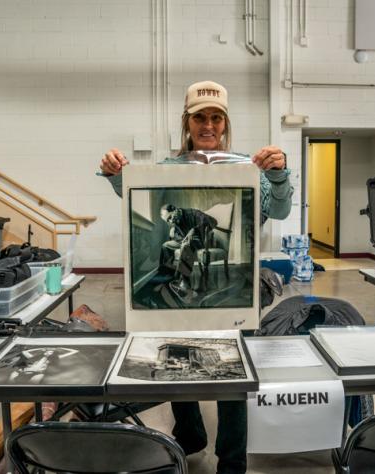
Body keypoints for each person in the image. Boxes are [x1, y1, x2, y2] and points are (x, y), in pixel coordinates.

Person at [100, 80, 293, 474]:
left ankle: (233, 459)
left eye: (216, 118)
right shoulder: (166, 169)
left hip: (236, 290)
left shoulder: (248, 168)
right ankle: (190, 435)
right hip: (191, 268)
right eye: (200, 118)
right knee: (175, 361)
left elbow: (283, 210)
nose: (208, 125)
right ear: (187, 123)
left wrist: (278, 175)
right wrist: (116, 175)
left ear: (225, 123)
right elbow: (134, 196)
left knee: (234, 377)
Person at [159, 203, 217, 303]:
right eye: (167, 221)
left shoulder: (193, 213)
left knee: (185, 246)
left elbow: (213, 221)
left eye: (170, 217)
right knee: (165, 246)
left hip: (198, 241)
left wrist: (194, 230)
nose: (170, 221)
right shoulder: (176, 220)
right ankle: (167, 276)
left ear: (175, 210)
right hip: (183, 241)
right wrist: (173, 233)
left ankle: (184, 283)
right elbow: (179, 236)